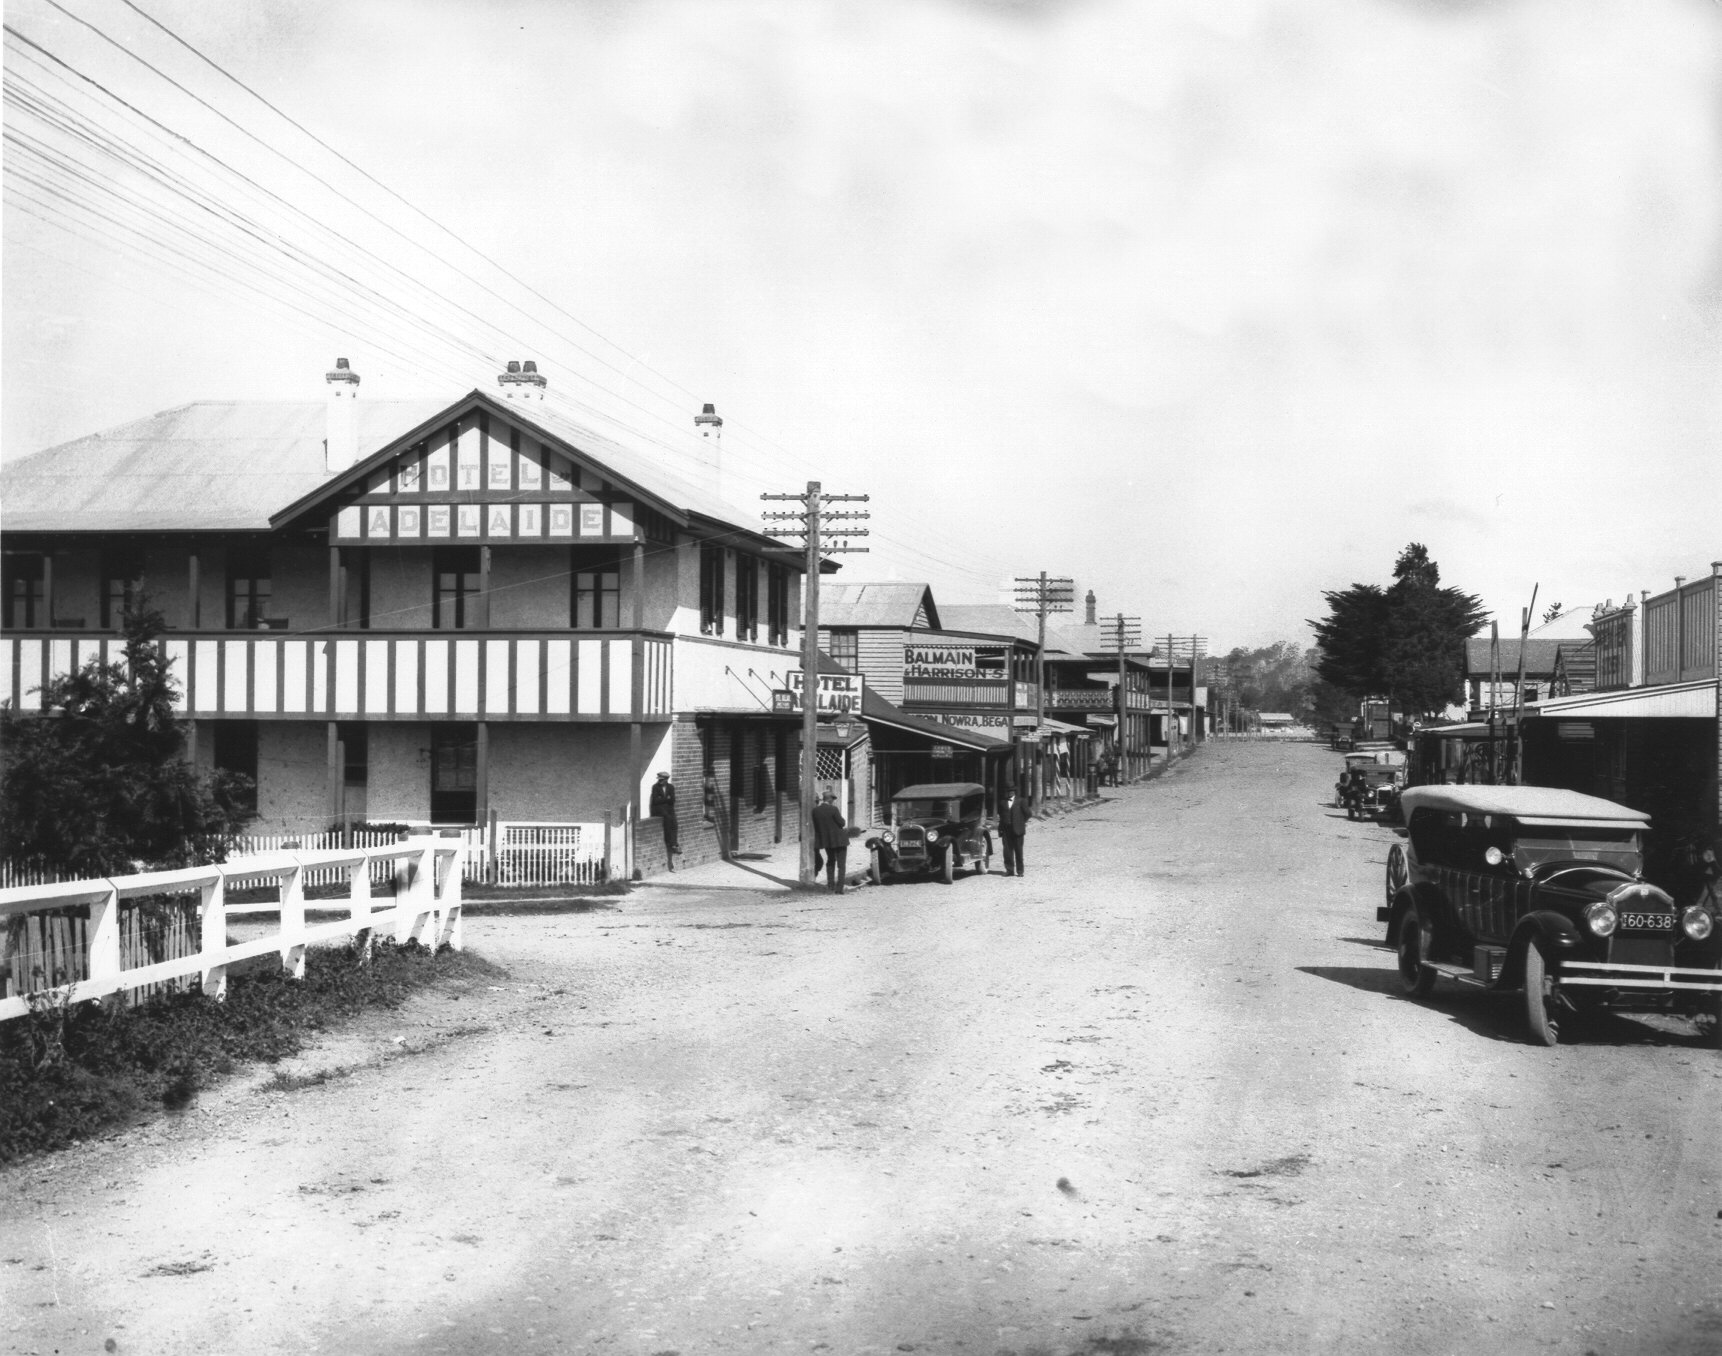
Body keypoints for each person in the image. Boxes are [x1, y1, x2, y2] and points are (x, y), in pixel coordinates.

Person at [810, 789, 849, 894]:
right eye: (833, 799)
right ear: (830, 799)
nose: (833, 801)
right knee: (841, 865)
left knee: (830, 862)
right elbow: (842, 823)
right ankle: (839, 889)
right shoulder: (834, 809)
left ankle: (830, 886)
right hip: (840, 840)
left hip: (827, 841)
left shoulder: (815, 811)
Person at [649, 771, 679, 870]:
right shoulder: (655, 787)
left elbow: (673, 800)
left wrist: (663, 798)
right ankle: (670, 842)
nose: (660, 782)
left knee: (674, 823)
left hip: (668, 808)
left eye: (662, 780)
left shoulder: (671, 787)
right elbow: (655, 801)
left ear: (666, 780)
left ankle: (674, 844)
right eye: (659, 780)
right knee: (667, 818)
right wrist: (667, 798)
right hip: (658, 810)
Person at [998, 784, 1029, 877]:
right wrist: (1000, 829)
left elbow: (1028, 813)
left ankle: (1020, 871)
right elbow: (1001, 816)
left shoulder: (1021, 801)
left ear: (1014, 792)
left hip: (1018, 830)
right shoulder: (1002, 802)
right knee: (1007, 852)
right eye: (1008, 791)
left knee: (1019, 851)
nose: (1009, 793)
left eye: (1011, 791)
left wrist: (1021, 822)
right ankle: (1009, 870)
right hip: (1006, 831)